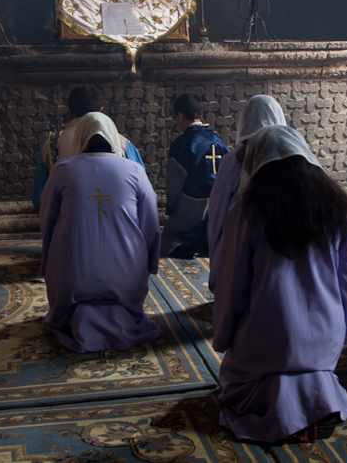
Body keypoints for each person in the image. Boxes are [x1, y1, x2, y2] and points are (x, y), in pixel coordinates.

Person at [213, 125, 347, 444]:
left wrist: (223, 336)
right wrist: (344, 329)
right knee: (308, 361)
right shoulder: (335, 205)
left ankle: (283, 409)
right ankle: (318, 400)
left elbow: (232, 283)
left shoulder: (248, 209)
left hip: (269, 340)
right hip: (325, 339)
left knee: (234, 382)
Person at [39, 112, 161, 353]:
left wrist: (48, 261)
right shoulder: (134, 170)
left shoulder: (62, 170)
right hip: (127, 281)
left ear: (80, 138)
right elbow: (152, 224)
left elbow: (47, 221)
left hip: (71, 280)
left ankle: (70, 315)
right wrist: (151, 264)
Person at [207, 94, 287, 294]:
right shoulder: (293, 160)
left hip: (239, 249)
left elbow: (217, 212)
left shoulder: (231, 162)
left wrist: (218, 260)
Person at [31, 85, 143, 212]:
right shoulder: (123, 143)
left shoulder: (51, 145)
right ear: (100, 110)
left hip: (70, 225)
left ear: (69, 111)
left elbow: (40, 199)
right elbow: (142, 192)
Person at [162, 93, 230, 258]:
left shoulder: (181, 145)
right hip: (220, 212)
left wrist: (171, 208)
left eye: (175, 116)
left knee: (163, 241)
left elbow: (174, 189)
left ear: (180, 115)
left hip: (191, 212)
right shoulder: (220, 142)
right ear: (200, 114)